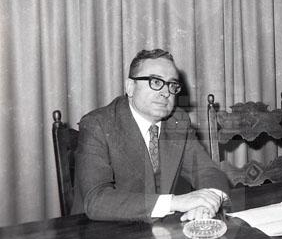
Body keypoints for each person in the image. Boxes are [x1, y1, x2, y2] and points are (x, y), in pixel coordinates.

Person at [72, 49, 229, 222]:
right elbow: (96, 200)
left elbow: (206, 170)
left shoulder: (178, 121)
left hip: (159, 229)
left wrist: (207, 202)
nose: (166, 92)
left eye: (172, 85)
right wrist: (175, 202)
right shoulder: (98, 124)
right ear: (130, 87)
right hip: (101, 231)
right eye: (155, 82)